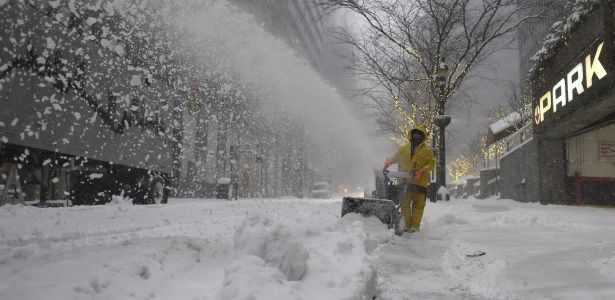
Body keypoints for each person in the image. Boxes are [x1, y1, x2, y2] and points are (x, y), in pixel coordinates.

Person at [384, 124, 435, 233]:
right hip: (404, 181)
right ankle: (406, 225)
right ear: (411, 135)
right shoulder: (404, 149)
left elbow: (431, 163)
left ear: (422, 136)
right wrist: (388, 161)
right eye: (414, 134)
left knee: (418, 206)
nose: (416, 136)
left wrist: (422, 171)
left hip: (419, 183)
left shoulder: (427, 151)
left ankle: (415, 227)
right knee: (405, 204)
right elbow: (395, 157)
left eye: (418, 134)